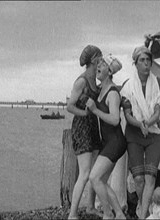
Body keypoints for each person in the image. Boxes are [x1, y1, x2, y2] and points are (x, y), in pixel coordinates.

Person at [120, 45, 160, 219]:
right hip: (134, 135)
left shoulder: (158, 82)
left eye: (148, 60)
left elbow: (157, 111)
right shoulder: (127, 86)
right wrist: (140, 125)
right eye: (142, 60)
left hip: (154, 134)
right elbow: (127, 114)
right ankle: (142, 205)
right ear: (135, 63)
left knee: (150, 177)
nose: (146, 64)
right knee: (138, 179)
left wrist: (148, 123)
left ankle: (143, 215)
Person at [86, 54, 127, 219]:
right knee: (101, 180)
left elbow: (115, 119)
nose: (98, 67)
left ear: (109, 71)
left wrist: (96, 110)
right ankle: (119, 214)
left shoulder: (112, 93)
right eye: (97, 65)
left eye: (102, 65)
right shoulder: (101, 89)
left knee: (94, 178)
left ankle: (108, 214)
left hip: (116, 142)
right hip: (109, 142)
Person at [67, 45, 103, 219]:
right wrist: (86, 113)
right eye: (100, 57)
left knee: (95, 170)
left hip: (93, 126)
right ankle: (72, 214)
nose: (102, 60)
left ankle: (90, 206)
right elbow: (69, 106)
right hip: (82, 126)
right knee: (85, 172)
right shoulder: (81, 81)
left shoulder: (96, 80)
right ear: (93, 59)